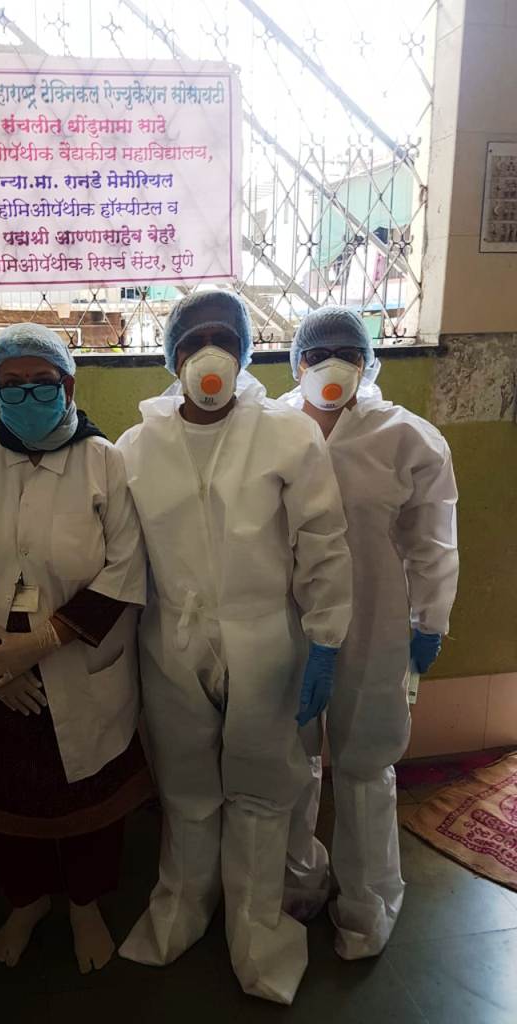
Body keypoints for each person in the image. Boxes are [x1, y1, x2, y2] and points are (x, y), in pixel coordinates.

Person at [115, 290, 353, 1004]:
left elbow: (323, 542)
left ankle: (258, 933)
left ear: (248, 350)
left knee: (259, 789)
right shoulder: (137, 446)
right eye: (193, 341)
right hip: (172, 639)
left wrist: (326, 638)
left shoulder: (287, 435)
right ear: (171, 356)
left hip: (263, 636)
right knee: (186, 786)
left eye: (225, 337)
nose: (208, 354)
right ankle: (182, 909)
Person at [0, 324, 152, 975]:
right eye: (13, 385)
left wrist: (43, 641)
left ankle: (85, 906)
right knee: (4, 803)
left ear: (69, 386)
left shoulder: (102, 460)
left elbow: (126, 567)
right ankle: (25, 903)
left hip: (78, 660)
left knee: (90, 803)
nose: (28, 395)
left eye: (43, 383)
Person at [282, 306, 459, 959]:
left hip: (375, 624)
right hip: (288, 622)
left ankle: (366, 906)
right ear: (295, 363)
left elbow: (432, 542)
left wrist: (429, 621)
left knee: (363, 765)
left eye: (348, 353)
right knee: (289, 761)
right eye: (316, 353)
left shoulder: (407, 438)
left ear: (369, 362)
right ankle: (296, 884)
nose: (332, 365)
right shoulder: (272, 429)